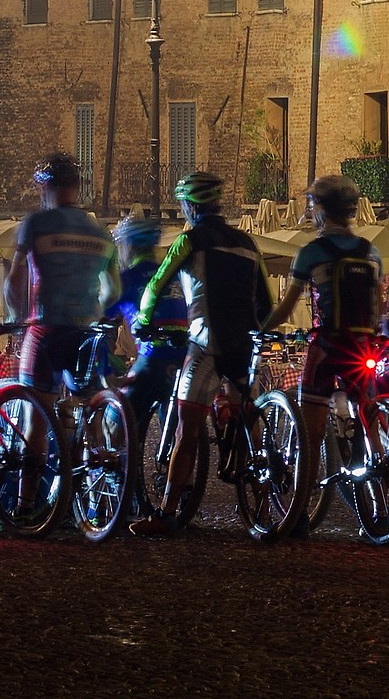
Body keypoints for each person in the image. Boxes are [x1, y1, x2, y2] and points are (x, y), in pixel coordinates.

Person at [128, 171, 273, 539]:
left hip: (205, 343)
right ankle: (271, 507)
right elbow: (266, 301)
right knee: (248, 421)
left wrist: (143, 322)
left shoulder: (189, 241)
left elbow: (155, 285)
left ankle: (166, 511)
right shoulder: (247, 242)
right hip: (244, 344)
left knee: (186, 430)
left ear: (190, 206)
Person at [283, 173, 384, 534]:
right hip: (365, 345)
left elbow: (286, 307)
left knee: (308, 435)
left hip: (327, 346)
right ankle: (384, 497)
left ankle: (297, 513)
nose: (310, 212)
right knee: (369, 416)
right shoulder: (371, 251)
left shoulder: (311, 251)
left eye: (312, 205)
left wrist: (262, 327)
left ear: (322, 210)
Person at [6, 154, 118, 397]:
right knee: (90, 409)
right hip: (86, 331)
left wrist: (16, 319)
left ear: (45, 187)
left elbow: (14, 281)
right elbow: (113, 292)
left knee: (35, 417)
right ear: (77, 187)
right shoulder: (101, 233)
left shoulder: (37, 223)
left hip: (47, 329)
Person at [112, 214, 188, 430]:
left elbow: (101, 315)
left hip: (152, 356)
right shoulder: (168, 274)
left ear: (128, 245)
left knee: (115, 417)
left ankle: (117, 461)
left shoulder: (128, 277)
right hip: (182, 355)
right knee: (173, 427)